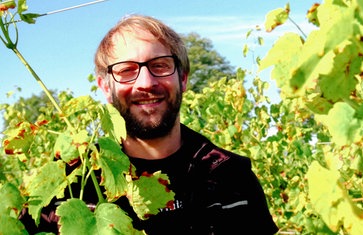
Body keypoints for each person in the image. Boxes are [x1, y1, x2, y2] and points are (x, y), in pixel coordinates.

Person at [21, 14, 279, 234]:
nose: (145, 82)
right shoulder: (69, 183)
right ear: (105, 87)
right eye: (126, 70)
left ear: (184, 79)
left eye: (160, 65)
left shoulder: (229, 176)